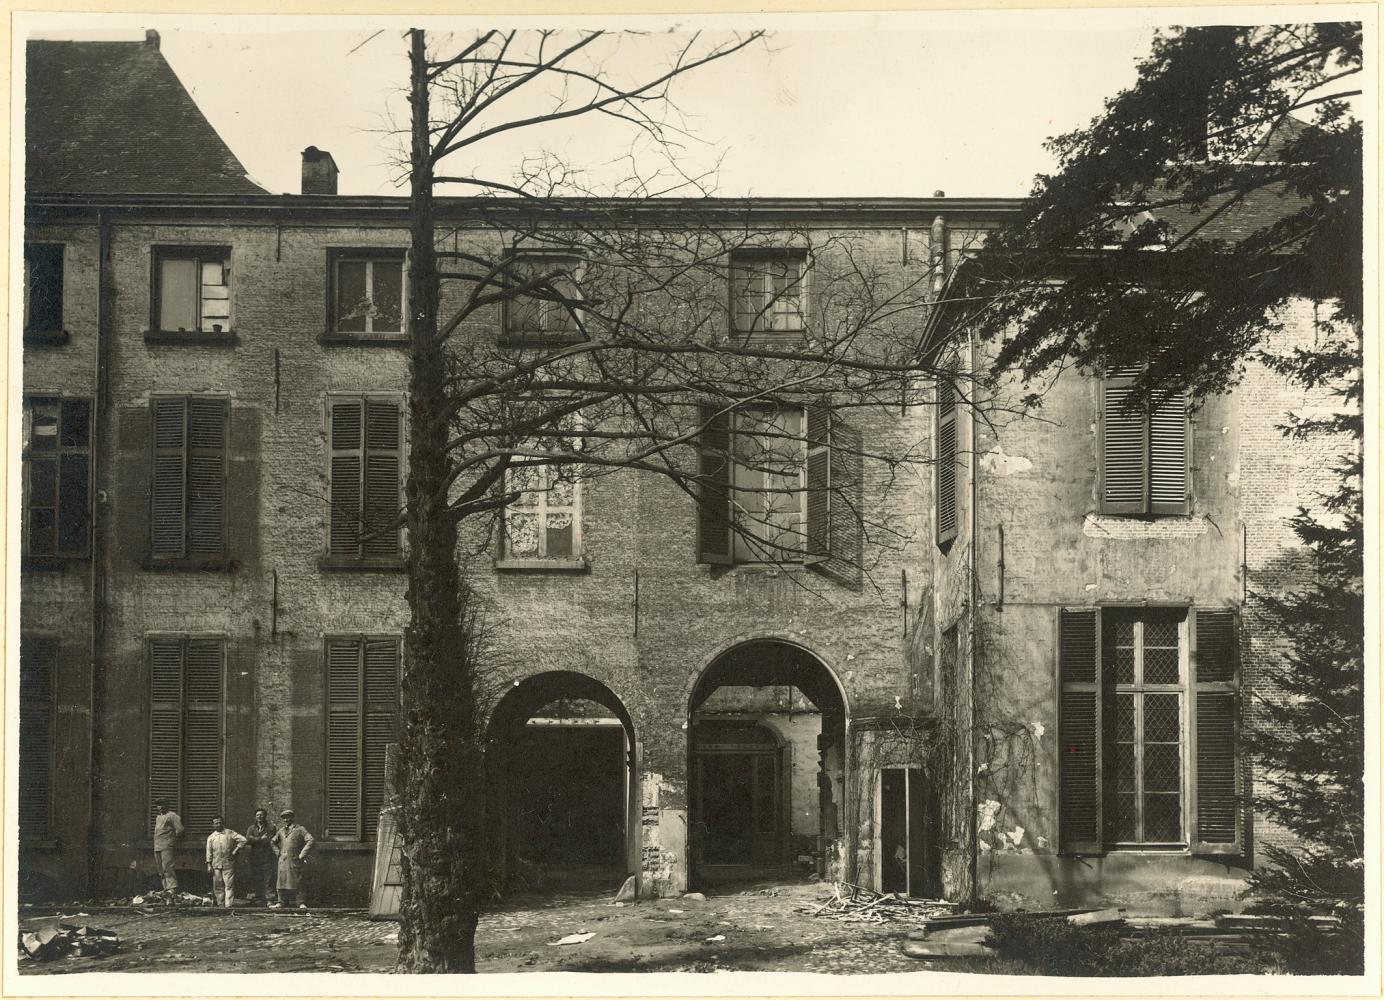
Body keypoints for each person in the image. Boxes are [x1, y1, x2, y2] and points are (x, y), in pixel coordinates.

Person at [270, 809, 315, 909]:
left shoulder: (300, 829)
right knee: (281, 881)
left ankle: (301, 902)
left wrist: (302, 854)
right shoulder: (281, 831)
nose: (286, 819)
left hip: (294, 859)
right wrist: (277, 852)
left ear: (293, 817)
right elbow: (272, 842)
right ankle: (281, 902)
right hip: (282, 860)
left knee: (297, 880)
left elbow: (311, 840)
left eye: (288, 817)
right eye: (284, 818)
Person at [205, 816, 247, 909]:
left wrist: (236, 850)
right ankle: (220, 904)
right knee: (218, 885)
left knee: (229, 885)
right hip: (216, 864)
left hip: (228, 862)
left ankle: (229, 905)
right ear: (213, 825)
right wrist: (208, 864)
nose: (218, 824)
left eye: (220, 822)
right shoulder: (211, 837)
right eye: (216, 823)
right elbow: (209, 852)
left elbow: (243, 840)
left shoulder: (230, 833)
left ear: (223, 823)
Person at [243, 808, 277, 906]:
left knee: (268, 878)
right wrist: (260, 839)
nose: (260, 817)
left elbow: (270, 840)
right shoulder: (251, 828)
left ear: (265, 816)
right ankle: (259, 898)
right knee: (257, 878)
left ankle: (270, 899)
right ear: (255, 817)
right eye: (258, 815)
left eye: (262, 815)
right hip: (255, 857)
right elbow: (248, 839)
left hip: (267, 856)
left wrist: (255, 839)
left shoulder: (271, 827)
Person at [152, 799, 184, 892]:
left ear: (167, 805)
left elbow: (180, 829)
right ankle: (165, 887)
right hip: (157, 845)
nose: (160, 807)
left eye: (162, 804)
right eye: (158, 805)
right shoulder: (158, 817)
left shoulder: (172, 816)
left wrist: (172, 840)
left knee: (167, 866)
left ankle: (172, 887)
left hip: (167, 845)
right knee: (160, 867)